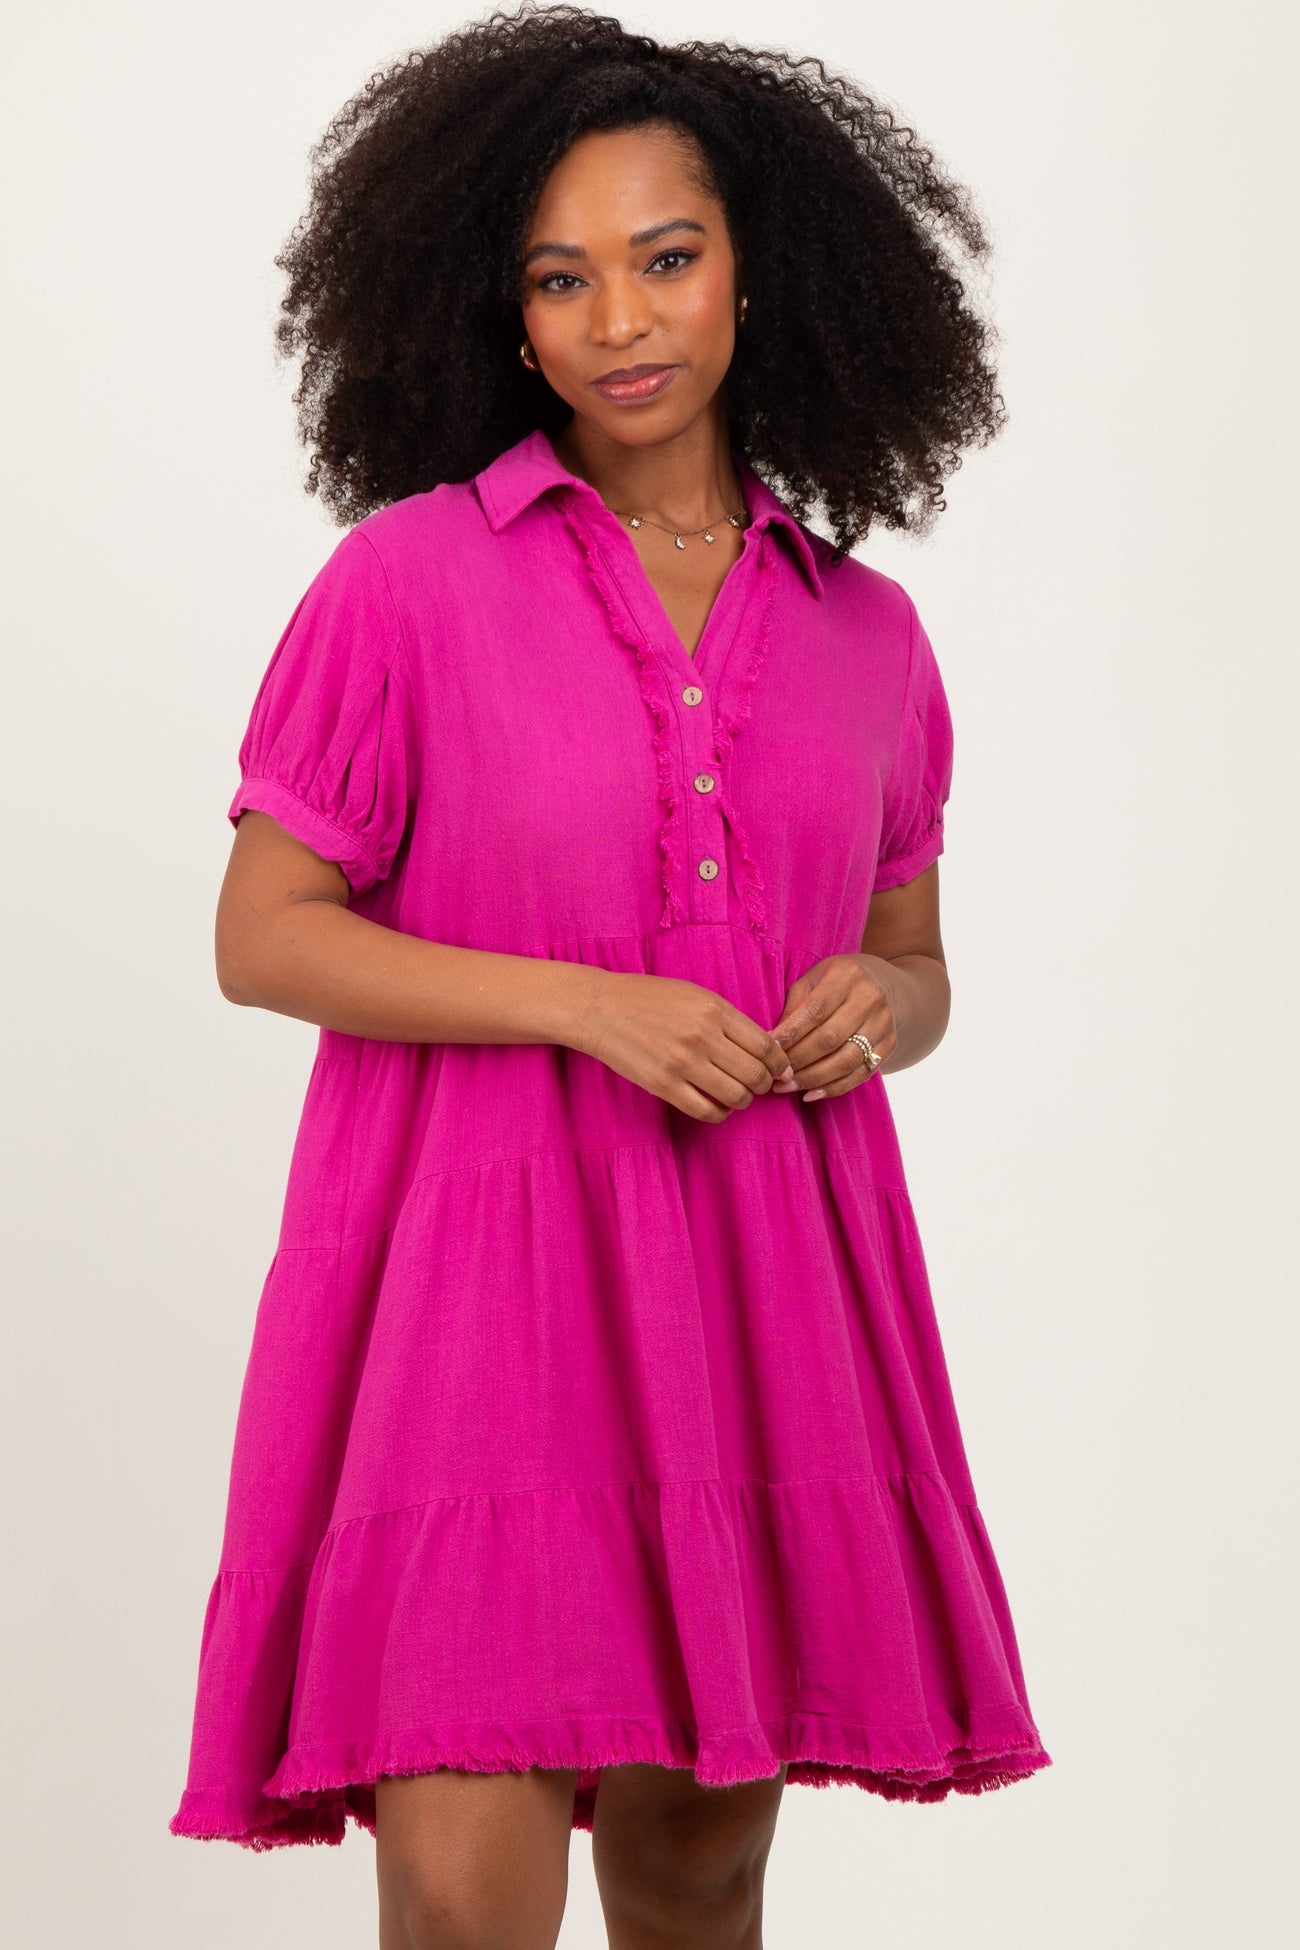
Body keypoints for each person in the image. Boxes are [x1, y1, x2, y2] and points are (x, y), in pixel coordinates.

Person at [169, 5, 1051, 1944]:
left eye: (665, 258)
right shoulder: (406, 583)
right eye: (560, 278)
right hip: (475, 1293)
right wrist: (583, 1001)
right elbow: (263, 931)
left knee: (695, 1863)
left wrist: (877, 1010)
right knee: (460, 1884)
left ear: (758, 272)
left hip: (753, 1276)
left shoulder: (869, 634)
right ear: (502, 314)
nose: (619, 320)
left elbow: (916, 960)